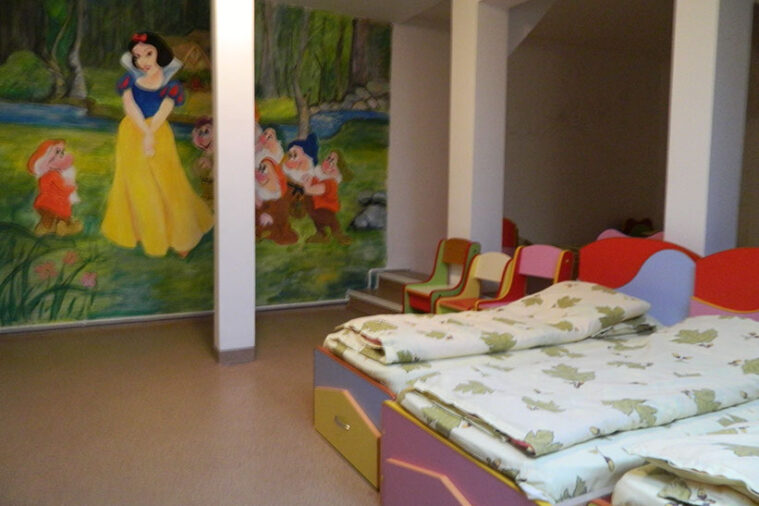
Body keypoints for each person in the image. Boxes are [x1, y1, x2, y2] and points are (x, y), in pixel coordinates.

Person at [101, 31, 213, 257]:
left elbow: (165, 110)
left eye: (148, 54)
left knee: (169, 181)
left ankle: (181, 235)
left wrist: (151, 134)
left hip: (159, 132)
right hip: (132, 132)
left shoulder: (170, 84)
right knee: (136, 182)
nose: (142, 61)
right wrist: (144, 133)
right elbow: (130, 107)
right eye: (137, 56)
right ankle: (143, 231)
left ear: (159, 53)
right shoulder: (129, 81)